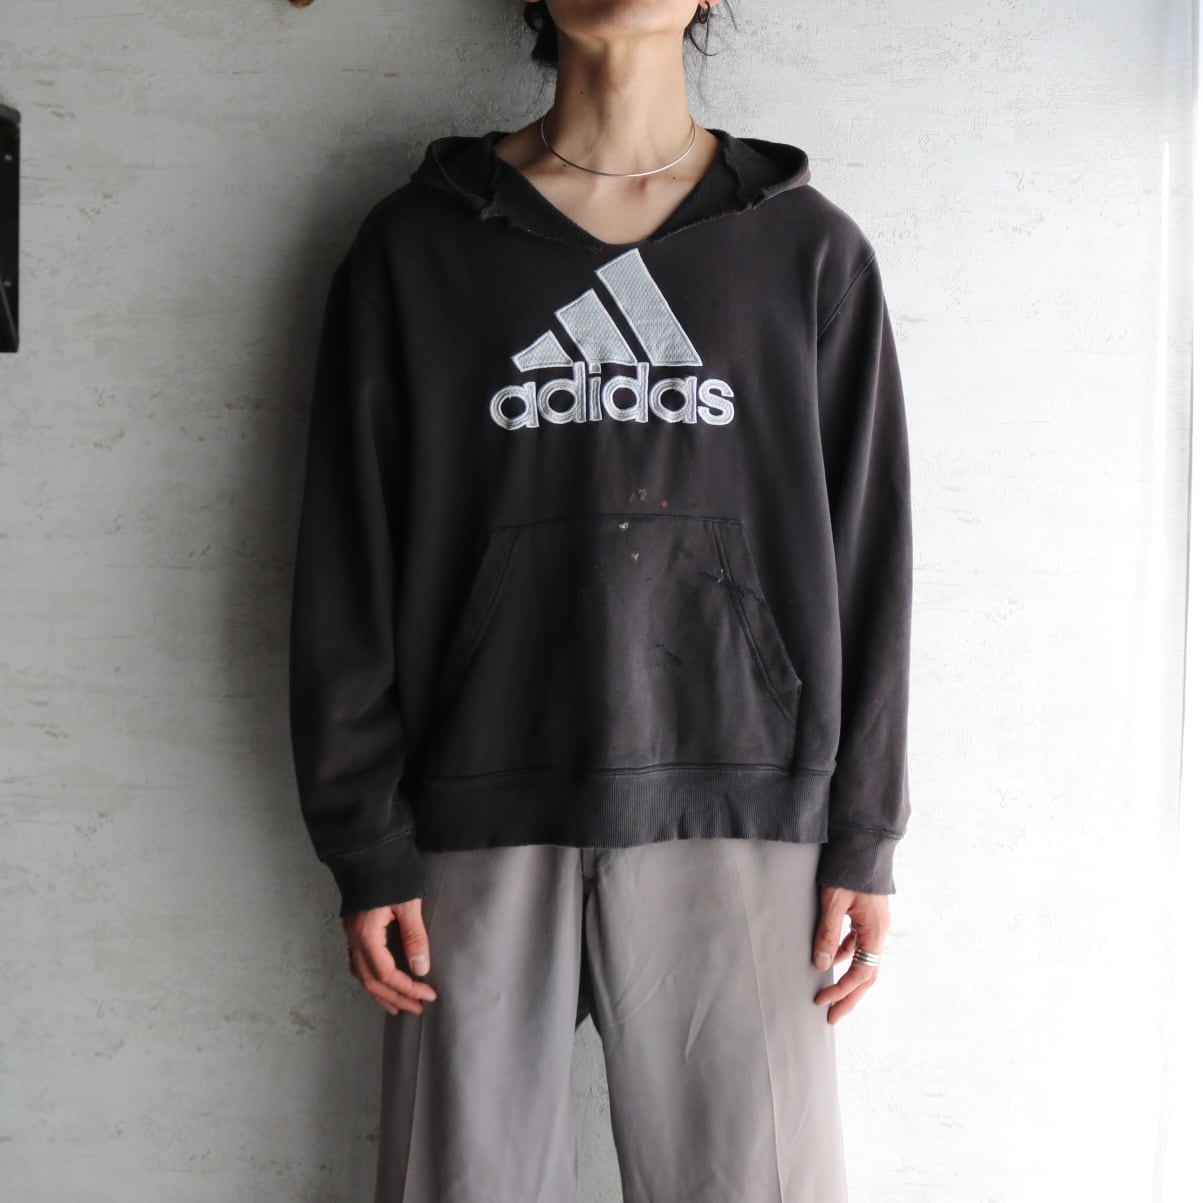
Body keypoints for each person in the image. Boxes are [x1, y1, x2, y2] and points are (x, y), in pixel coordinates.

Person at [287, 2, 913, 1198]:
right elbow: (345, 558)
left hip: (741, 795)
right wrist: (362, 836)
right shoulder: (417, 246)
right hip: (471, 802)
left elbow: (870, 556)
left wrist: (867, 831)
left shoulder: (806, 252)